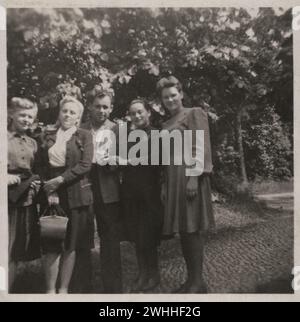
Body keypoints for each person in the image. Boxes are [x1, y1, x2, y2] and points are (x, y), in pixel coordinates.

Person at [157, 76, 215, 293]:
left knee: (193, 229)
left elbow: (201, 147)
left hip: (190, 176)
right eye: (166, 97)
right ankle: (191, 280)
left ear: (181, 94)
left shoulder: (194, 113)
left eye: (173, 95)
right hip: (172, 179)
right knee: (184, 229)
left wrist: (193, 177)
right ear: (161, 100)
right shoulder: (165, 123)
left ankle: (199, 282)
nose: (170, 99)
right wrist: (164, 184)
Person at [40, 95, 94, 294]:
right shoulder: (47, 134)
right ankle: (50, 291)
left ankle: (63, 289)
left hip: (76, 195)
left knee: (71, 244)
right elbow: (40, 164)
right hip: (52, 193)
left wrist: (60, 180)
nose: (68, 115)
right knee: (52, 243)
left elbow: (85, 165)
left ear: (78, 117)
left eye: (73, 112)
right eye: (65, 111)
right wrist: (49, 188)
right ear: (59, 113)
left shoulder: (84, 135)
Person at [120, 98, 163, 292]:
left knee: (148, 237)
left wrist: (128, 160)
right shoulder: (127, 136)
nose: (137, 116)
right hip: (131, 192)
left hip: (150, 193)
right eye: (133, 113)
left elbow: (155, 161)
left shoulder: (157, 134)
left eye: (140, 112)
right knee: (136, 236)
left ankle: (153, 274)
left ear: (148, 112)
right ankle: (142, 273)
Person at [82, 90, 122, 293]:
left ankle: (113, 289)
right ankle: (83, 286)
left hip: (109, 189)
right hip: (85, 189)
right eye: (97, 106)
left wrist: (112, 163)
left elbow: (124, 160)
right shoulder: (79, 129)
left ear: (111, 108)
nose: (101, 110)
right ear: (89, 106)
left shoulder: (117, 129)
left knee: (111, 240)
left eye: (105, 107)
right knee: (83, 237)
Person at [7, 97, 41, 292]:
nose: (27, 119)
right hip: (4, 202)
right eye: (22, 115)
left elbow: (35, 170)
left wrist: (35, 184)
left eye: (30, 116)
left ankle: (5, 291)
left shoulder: (32, 143)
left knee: (15, 251)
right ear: (11, 114)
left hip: (23, 202)